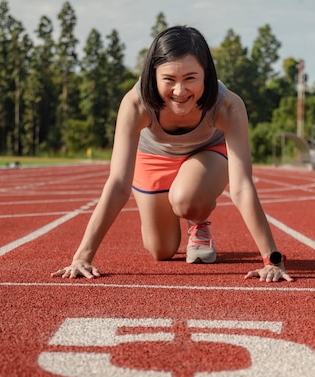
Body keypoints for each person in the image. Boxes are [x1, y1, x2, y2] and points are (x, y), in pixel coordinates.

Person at [51, 26, 292, 283]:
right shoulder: (135, 104)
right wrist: (82, 257)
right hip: (153, 159)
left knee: (187, 199)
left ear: (206, 75)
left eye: (190, 78)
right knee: (160, 250)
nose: (179, 91)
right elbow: (119, 183)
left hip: (207, 153)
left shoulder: (228, 106)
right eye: (169, 79)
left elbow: (242, 186)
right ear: (153, 76)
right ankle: (170, 212)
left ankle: (198, 221)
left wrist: (271, 259)